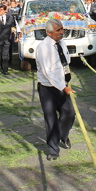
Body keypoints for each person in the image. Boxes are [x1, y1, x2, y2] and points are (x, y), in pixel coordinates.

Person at [36, 19, 76, 161]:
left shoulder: (61, 43)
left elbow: (66, 62)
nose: (62, 32)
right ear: (49, 33)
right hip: (48, 88)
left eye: (62, 29)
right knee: (51, 119)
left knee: (70, 113)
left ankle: (63, 136)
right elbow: (47, 72)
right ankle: (53, 150)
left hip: (62, 85)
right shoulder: (43, 48)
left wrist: (66, 79)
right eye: (58, 30)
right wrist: (63, 87)